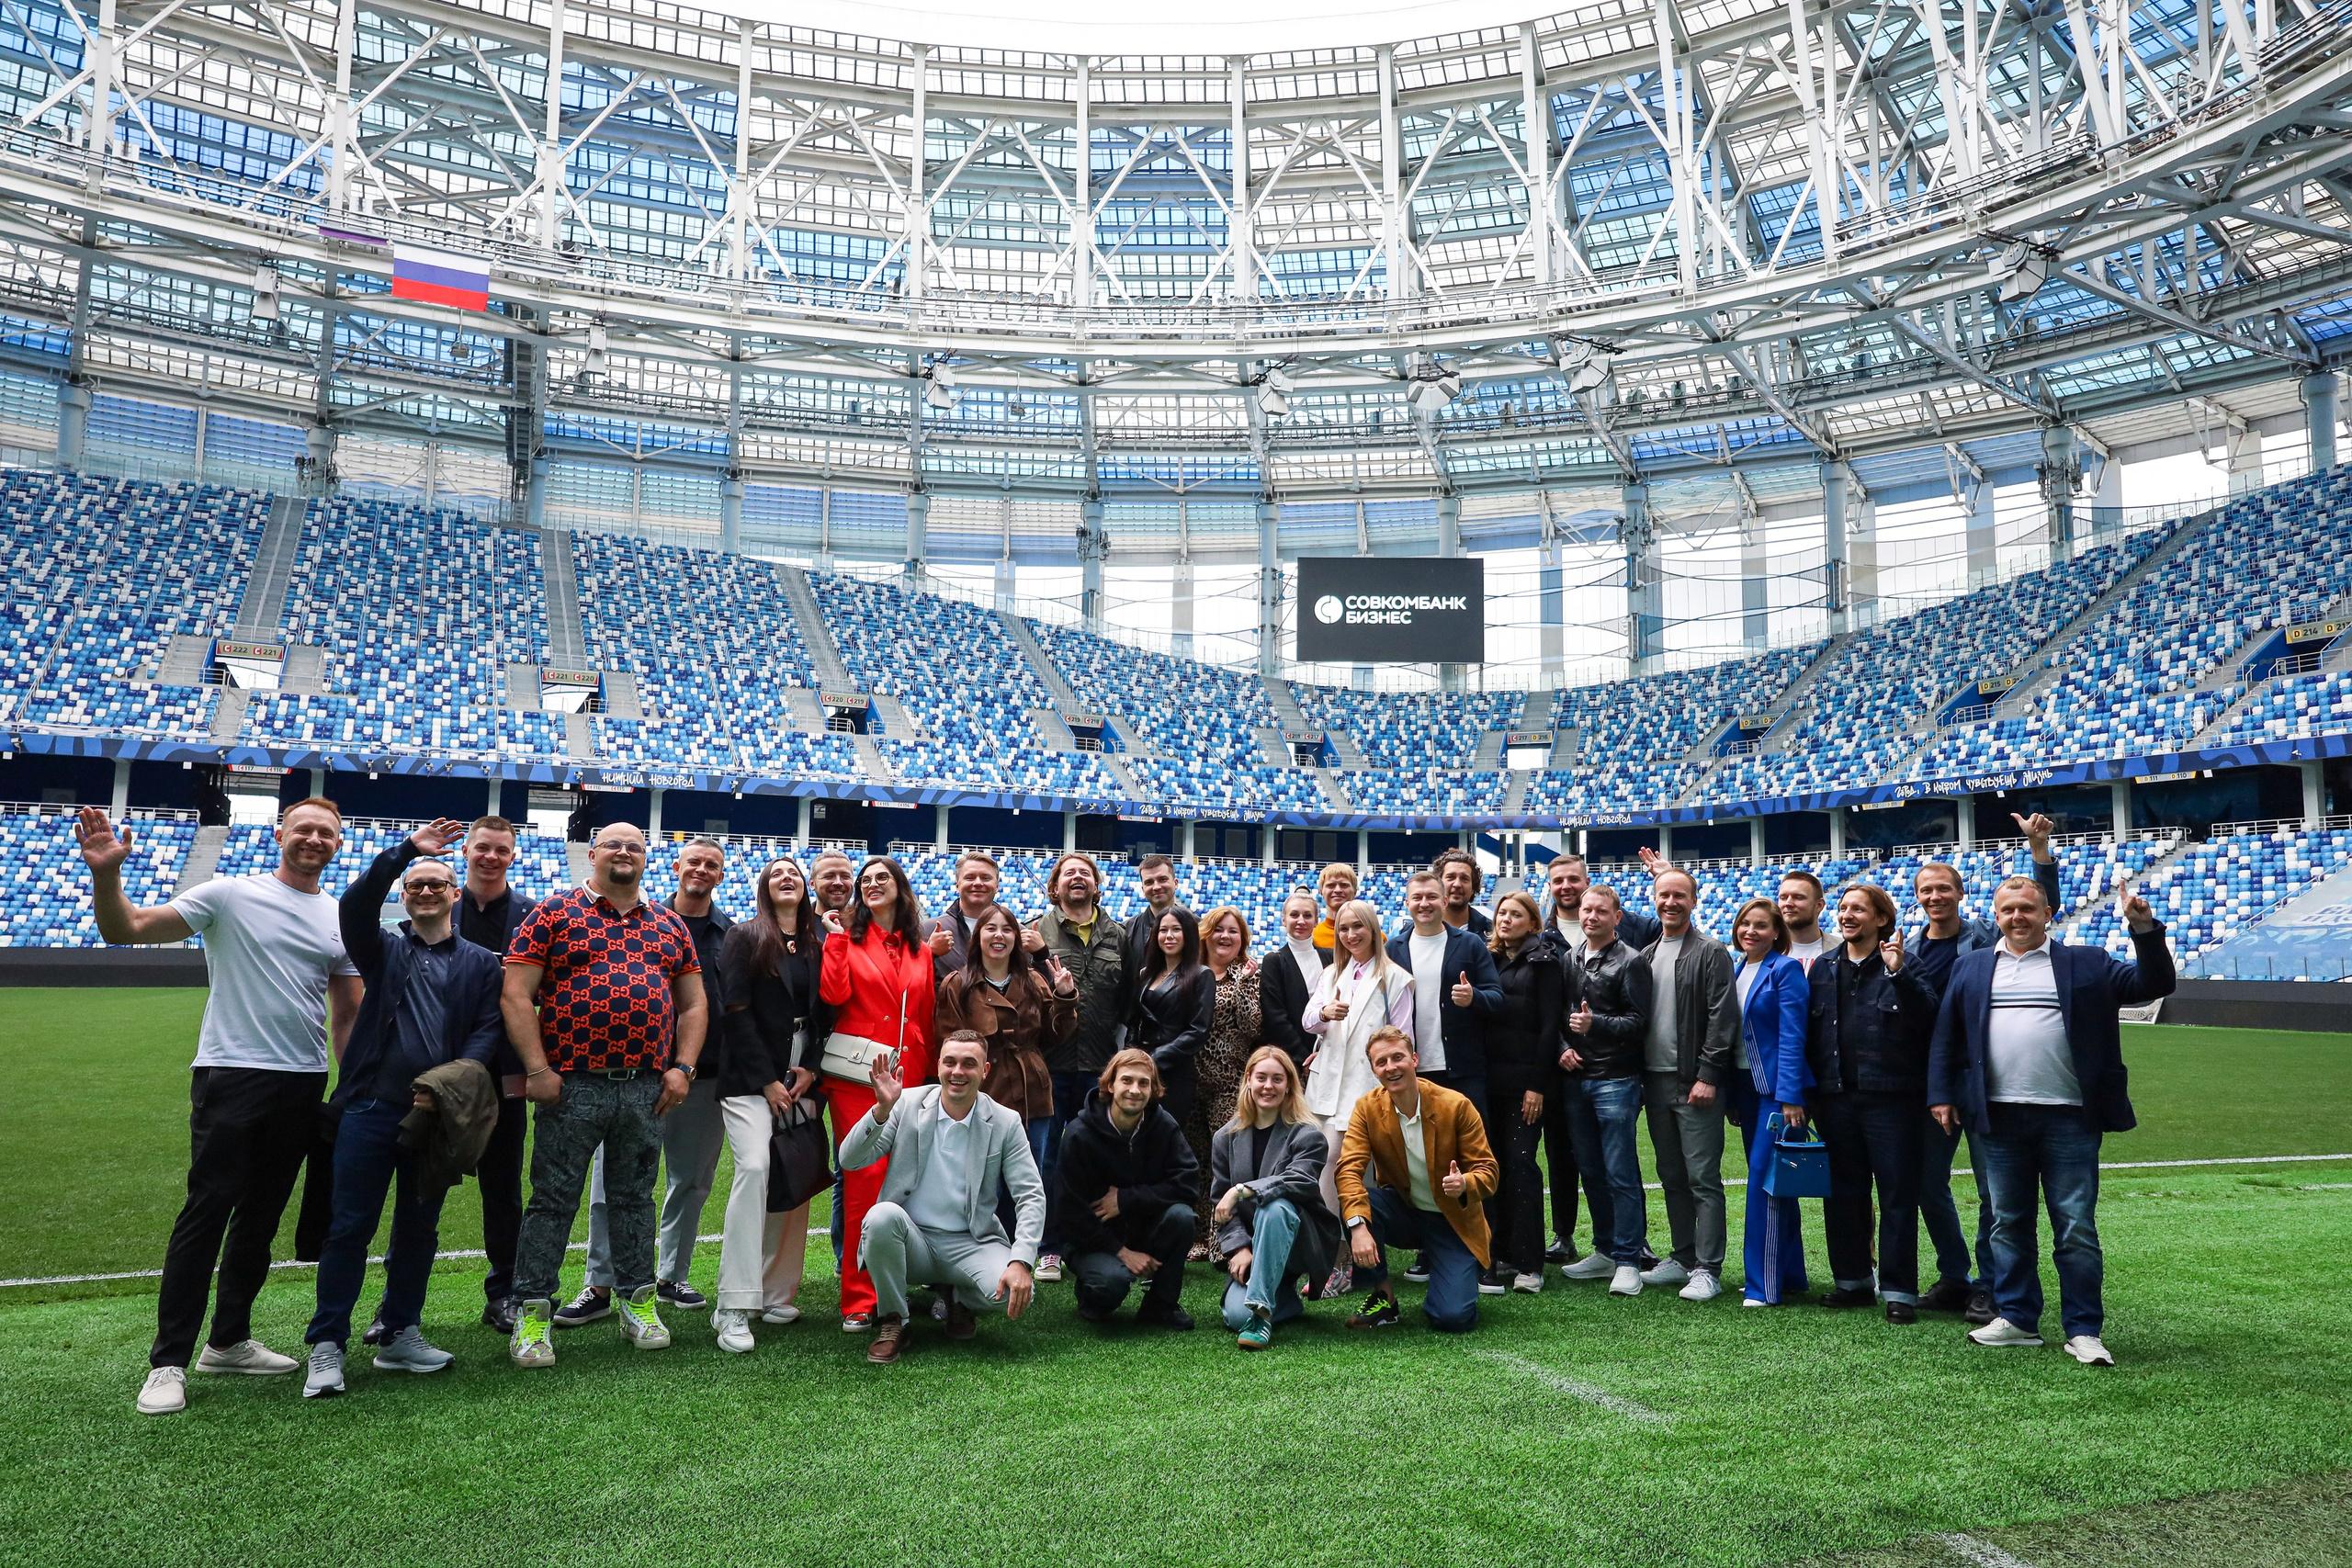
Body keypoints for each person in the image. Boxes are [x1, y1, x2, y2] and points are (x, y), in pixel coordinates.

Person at [79, 800, 363, 1417]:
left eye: (327, 832)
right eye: (305, 828)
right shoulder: (229, 893)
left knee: (260, 1217)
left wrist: (350, 1085)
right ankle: (167, 1362)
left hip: (302, 1081)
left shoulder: (337, 914)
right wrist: (107, 874)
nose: (315, 838)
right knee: (206, 1212)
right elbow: (124, 928)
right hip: (231, 1074)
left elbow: (346, 1012)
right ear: (279, 832)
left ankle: (228, 1339)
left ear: (340, 843)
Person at [1930, 877, 2175, 1366]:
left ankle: (2083, 1329)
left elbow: (2154, 984)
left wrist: (2144, 929)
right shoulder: (1973, 965)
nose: (2017, 917)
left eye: (2027, 908)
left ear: (2047, 913)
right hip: (1996, 1116)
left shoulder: (2087, 963)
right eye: (2007, 910)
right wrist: (1940, 1094)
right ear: (1995, 916)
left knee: (2076, 1227)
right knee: (2006, 1223)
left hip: (2069, 1118)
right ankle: (2018, 1318)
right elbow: (1947, 1034)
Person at [302, 818, 504, 1398]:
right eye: (415, 886)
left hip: (436, 1118)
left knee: (419, 1229)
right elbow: (355, 903)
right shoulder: (384, 950)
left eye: (436, 884)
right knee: (349, 1228)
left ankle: (399, 1332)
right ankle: (328, 1344)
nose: (425, 892)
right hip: (370, 1108)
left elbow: (488, 1033)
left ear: (455, 895)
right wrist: (405, 854)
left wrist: (445, 1086)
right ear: (404, 896)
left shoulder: (482, 964)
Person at [503, 821, 707, 1368]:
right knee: (553, 1201)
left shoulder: (668, 924)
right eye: (614, 844)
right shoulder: (551, 913)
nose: (624, 853)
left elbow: (693, 1005)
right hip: (573, 1086)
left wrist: (683, 1066)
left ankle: (637, 1302)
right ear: (592, 854)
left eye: (634, 846)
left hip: (644, 1088)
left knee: (634, 1199)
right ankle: (533, 1313)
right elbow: (516, 996)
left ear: (646, 858)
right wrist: (537, 1069)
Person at [564, 837, 733, 1326]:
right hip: (637, 1072)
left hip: (704, 1075)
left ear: (721, 876)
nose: (701, 870)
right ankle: (600, 1281)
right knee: (609, 1181)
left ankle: (671, 1275)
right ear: (677, 866)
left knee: (691, 1181)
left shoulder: (733, 934)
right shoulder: (643, 922)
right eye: (694, 862)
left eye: (712, 865)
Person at [1911, 815, 2064, 1324]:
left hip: (1980, 1084)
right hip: (1930, 1087)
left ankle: (1988, 1283)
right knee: (1926, 1184)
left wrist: (2039, 852)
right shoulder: (1908, 950)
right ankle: (1954, 1275)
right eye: (1926, 891)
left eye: (1943, 889)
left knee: (1990, 1191)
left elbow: (2043, 908)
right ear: (1918, 898)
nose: (1935, 897)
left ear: (1960, 893)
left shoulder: (1985, 940)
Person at [842, 1031, 1045, 1363]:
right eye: (949, 1062)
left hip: (972, 1241)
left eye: (969, 1064)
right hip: (912, 1240)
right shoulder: (904, 1103)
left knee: (1019, 1290)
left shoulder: (1006, 1122)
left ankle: (959, 1300)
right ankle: (895, 1320)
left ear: (985, 1070)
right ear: (938, 1066)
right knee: (881, 1217)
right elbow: (850, 1160)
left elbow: (1031, 1196)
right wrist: (881, 1110)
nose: (957, 1072)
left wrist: (1021, 1260)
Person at [819, 855, 951, 1331]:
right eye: (866, 881)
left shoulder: (918, 948)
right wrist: (835, 941)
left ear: (900, 888)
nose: (873, 885)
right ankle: (859, 1297)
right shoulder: (847, 939)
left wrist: (933, 1074)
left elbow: (927, 1011)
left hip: (911, 1074)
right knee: (863, 1180)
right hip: (860, 1077)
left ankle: (898, 1282)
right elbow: (833, 996)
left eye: (883, 878)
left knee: (906, 1179)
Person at [707, 854, 831, 1353]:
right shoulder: (744, 936)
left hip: (801, 1074)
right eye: (776, 873)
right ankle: (733, 1304)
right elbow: (734, 1013)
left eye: (795, 873)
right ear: (763, 886)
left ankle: (776, 1291)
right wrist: (766, 1081)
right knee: (757, 1167)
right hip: (748, 1078)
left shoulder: (820, 941)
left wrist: (813, 1069)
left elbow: (828, 1012)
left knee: (795, 1172)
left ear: (806, 888)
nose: (787, 878)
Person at [1801, 884, 1939, 1323]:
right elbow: (1811, 1037)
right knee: (1844, 1193)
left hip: (1893, 1101)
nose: (1847, 915)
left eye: (1858, 909)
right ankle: (1853, 1281)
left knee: (1898, 1194)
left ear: (1881, 918)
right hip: (1836, 1098)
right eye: (1843, 909)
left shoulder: (1904, 963)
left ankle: (1900, 1290)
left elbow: (1929, 1018)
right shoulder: (1823, 968)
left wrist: (1900, 973)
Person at [1335, 1026, 1500, 1333]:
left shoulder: (1456, 1105)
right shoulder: (1367, 1108)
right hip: (1406, 1212)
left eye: (1397, 1057)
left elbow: (1489, 1172)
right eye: (1381, 1062)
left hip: (1452, 1220)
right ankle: (1384, 1298)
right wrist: (1357, 1227)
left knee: (1452, 1318)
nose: (1391, 1067)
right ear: (1374, 1070)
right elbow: (1348, 1169)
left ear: (1414, 1059)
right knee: (1359, 1202)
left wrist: (1465, 1183)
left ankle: (1451, 1283)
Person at [1634, 869, 1738, 1303]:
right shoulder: (1645, 954)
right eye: (1663, 895)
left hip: (1694, 1083)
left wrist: (1708, 1075)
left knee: (1703, 1179)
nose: (1670, 903)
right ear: (1654, 899)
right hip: (1655, 1082)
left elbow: (1722, 1017)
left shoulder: (1711, 952)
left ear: (1694, 901)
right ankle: (1681, 1256)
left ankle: (1708, 1268)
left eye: (1679, 896)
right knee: (1671, 1175)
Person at [934, 903, 1078, 1213]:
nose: (999, 936)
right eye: (990, 928)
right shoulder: (957, 985)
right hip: (982, 1094)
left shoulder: (1035, 981)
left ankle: (1021, 1255)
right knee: (982, 1187)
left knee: (1027, 1185)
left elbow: (1057, 1036)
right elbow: (948, 1046)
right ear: (978, 937)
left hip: (1033, 1095)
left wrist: (1065, 998)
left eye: (1007, 929)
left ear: (1016, 938)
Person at [453, 815, 538, 1336]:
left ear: (513, 855)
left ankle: (504, 1290)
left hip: (505, 1072)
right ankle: (398, 1305)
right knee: (422, 1185)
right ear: (466, 850)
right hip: (443, 1070)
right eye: (482, 848)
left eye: (500, 850)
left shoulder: (532, 914)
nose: (491, 857)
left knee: (503, 1188)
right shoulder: (438, 901)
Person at [1028, 850, 1129, 1283]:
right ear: (1055, 886)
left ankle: (1094, 1242)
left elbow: (1127, 998)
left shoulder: (1119, 935)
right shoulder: (1035, 931)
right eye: (1068, 873)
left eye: (1084, 873)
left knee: (1097, 1161)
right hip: (1051, 1066)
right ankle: (1047, 1247)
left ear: (1096, 884)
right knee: (1046, 1161)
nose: (1076, 879)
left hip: (1099, 1066)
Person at [1055, 1048, 1201, 1328]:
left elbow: (1188, 1184)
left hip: (1144, 1228)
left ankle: (1161, 1306)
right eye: (1127, 1081)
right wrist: (1121, 1252)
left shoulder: (1164, 1126)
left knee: (1182, 1217)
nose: (1135, 1090)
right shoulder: (1079, 1135)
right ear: (1110, 1085)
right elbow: (1068, 1212)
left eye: (1143, 1083)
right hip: (1092, 1239)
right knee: (1111, 1285)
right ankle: (1091, 1295)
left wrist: (1126, 1199)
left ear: (1154, 1089)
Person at [1210, 1047, 1341, 1349]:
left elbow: (1300, 1180)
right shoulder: (1225, 1138)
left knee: (1275, 1206)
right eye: (1261, 1077)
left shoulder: (1308, 1134)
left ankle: (1261, 1313)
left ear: (1289, 1087)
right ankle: (1284, 1299)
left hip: (1298, 1242)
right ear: (1248, 1081)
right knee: (1233, 1317)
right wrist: (1239, 1249)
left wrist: (1243, 1190)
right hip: (1253, 1248)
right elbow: (1219, 1204)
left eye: (1277, 1079)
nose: (1268, 1086)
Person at [1564, 885, 1654, 1295]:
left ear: (1617, 917)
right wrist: (1563, 1048)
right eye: (1586, 910)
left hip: (1616, 1078)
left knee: (1620, 1171)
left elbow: (1639, 1023)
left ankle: (1628, 1258)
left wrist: (1595, 1023)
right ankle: (1604, 1249)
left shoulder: (1631, 961)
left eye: (1601, 911)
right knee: (1592, 1170)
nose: (1591, 917)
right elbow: (1558, 1016)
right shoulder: (1571, 958)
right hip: (1576, 1078)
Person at [1301, 898, 1415, 1224]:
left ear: (1373, 929)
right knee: (1330, 1167)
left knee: (1344, 1168)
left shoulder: (1394, 978)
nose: (1351, 935)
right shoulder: (1332, 973)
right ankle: (1342, 1250)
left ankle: (1340, 1251)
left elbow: (1403, 1038)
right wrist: (1325, 1013)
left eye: (1358, 926)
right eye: (1344, 929)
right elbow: (1308, 1020)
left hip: (1365, 1088)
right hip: (1326, 1088)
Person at [1725, 897, 1812, 1307]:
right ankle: (1790, 1274)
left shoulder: (1786, 969)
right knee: (1778, 1183)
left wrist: (1790, 1096)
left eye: (1761, 925)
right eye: (1745, 924)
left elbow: (1795, 1035)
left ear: (1777, 932)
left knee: (1764, 1185)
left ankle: (1763, 1285)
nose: (1751, 931)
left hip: (1776, 1093)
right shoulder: (1737, 968)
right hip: (1745, 1088)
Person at [1483, 890, 1562, 1293]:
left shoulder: (1544, 961)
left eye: (1515, 914)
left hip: (1524, 1086)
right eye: (1501, 913)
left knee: (1521, 1163)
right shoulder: (1490, 959)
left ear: (1533, 923)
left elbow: (1551, 1027)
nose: (1505, 919)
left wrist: (1537, 1085)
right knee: (1492, 1166)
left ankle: (1531, 1262)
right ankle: (1498, 1254)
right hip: (1488, 1082)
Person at [1188, 906, 1261, 1257]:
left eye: (1233, 931)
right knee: (1195, 1162)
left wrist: (1246, 985)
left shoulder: (1248, 974)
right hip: (1189, 1080)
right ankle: (1199, 1237)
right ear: (1206, 934)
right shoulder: (1190, 972)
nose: (1225, 937)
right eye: (1219, 930)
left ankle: (1225, 1241)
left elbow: (1253, 1028)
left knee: (1226, 1163)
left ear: (1242, 939)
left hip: (1230, 1083)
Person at [1129, 903, 1216, 1126]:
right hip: (1141, 1067)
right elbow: (1134, 1021)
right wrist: (1130, 1057)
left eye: (1176, 929)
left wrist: (1155, 1058)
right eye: (1163, 930)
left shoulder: (1201, 975)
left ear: (1188, 933)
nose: (1169, 936)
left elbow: (1198, 1031)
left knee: (1163, 1135)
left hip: (1175, 1072)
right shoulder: (1145, 974)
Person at [922, 850, 1046, 976]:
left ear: (997, 886)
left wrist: (1041, 954)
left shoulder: (1018, 933)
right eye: (970, 878)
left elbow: (1037, 988)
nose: (978, 883)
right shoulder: (927, 930)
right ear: (957, 886)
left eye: (986, 878)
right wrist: (929, 953)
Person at [1258, 888, 1328, 1069]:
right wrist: (1304, 1058)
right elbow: (1275, 1018)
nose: (1301, 921)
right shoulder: (1274, 961)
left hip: (1330, 1055)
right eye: (1294, 915)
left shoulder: (1331, 958)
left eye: (1307, 915)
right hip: (1293, 1060)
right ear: (1284, 919)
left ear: (1316, 921)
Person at [1123, 852, 1184, 996]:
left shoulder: (1198, 927)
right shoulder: (1125, 931)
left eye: (1162, 879)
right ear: (1143, 889)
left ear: (1175, 883)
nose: (1156, 887)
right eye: (1149, 882)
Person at [1431, 847, 1492, 937]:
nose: (1457, 884)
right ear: (1438, 884)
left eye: (1464, 879)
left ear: (1473, 888)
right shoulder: (1415, 931)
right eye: (1450, 877)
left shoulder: (1492, 932)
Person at [1778, 871, 1830, 971]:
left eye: (1798, 897)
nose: (1788, 903)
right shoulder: (1763, 950)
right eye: (1783, 898)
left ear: (1819, 905)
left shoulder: (1842, 949)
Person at [1310, 861, 1359, 950]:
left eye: (1344, 885)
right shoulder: (1311, 937)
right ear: (1321, 892)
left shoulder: (1373, 936)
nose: (1337, 890)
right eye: (1331, 885)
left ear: (1354, 892)